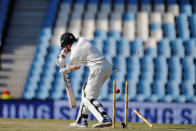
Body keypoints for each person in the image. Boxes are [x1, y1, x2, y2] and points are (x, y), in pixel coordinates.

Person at [56, 32, 113, 128]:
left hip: (97, 69)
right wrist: (63, 54)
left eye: (65, 47)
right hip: (107, 66)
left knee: (88, 98)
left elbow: (77, 66)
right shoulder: (82, 39)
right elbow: (71, 46)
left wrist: (66, 68)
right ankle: (82, 120)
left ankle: (104, 118)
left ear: (67, 45)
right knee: (85, 91)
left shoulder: (74, 55)